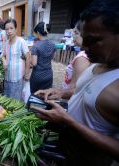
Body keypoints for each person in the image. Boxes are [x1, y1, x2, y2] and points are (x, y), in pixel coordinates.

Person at [32, 0, 119, 165]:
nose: (84, 47)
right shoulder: (99, 60)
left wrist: (68, 121)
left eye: (93, 40)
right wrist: (61, 93)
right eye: (84, 39)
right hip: (66, 146)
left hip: (87, 158)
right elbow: (87, 90)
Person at [2, 19, 31, 101]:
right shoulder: (6, 43)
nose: (9, 31)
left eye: (11, 28)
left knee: (16, 101)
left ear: (16, 29)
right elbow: (3, 55)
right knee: (7, 99)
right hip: (7, 77)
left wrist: (27, 73)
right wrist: (4, 60)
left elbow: (28, 57)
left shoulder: (21, 42)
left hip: (17, 78)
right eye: (7, 29)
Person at [61, 20, 90, 97]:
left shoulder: (82, 58)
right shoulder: (86, 54)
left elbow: (75, 88)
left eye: (76, 33)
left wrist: (60, 94)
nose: (74, 37)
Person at [30, 22, 56, 94]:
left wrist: (29, 59)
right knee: (46, 96)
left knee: (35, 97)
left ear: (38, 33)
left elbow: (34, 63)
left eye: (34, 33)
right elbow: (52, 57)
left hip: (38, 76)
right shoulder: (53, 44)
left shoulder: (36, 46)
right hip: (48, 75)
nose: (34, 35)